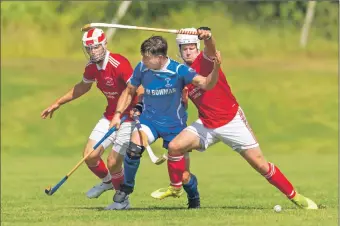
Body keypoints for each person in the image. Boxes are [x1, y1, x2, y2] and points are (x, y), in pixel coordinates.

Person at [151, 27, 318, 210]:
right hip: (206, 124)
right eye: (184, 48)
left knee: (261, 165)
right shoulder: (181, 73)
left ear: (197, 48)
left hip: (231, 121)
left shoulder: (205, 60)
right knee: (175, 147)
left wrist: (208, 36)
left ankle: (296, 197)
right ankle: (176, 189)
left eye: (191, 47)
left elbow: (211, 48)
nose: (188, 51)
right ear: (180, 51)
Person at [107, 34, 221, 210]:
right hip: (149, 121)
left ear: (160, 58)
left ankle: (193, 196)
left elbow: (206, 84)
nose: (143, 60)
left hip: (175, 127)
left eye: (147, 57)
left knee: (183, 176)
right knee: (134, 148)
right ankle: (126, 188)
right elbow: (129, 91)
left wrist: (216, 68)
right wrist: (117, 114)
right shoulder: (142, 68)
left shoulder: (179, 70)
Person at [41, 28, 143, 209]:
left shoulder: (119, 63)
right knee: (90, 155)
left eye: (96, 47)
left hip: (128, 118)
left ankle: (123, 202)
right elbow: (82, 87)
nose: (92, 51)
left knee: (113, 162)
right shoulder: (91, 67)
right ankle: (107, 181)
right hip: (109, 116)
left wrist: (133, 109)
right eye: (89, 48)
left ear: (104, 44)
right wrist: (58, 103)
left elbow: (138, 89)